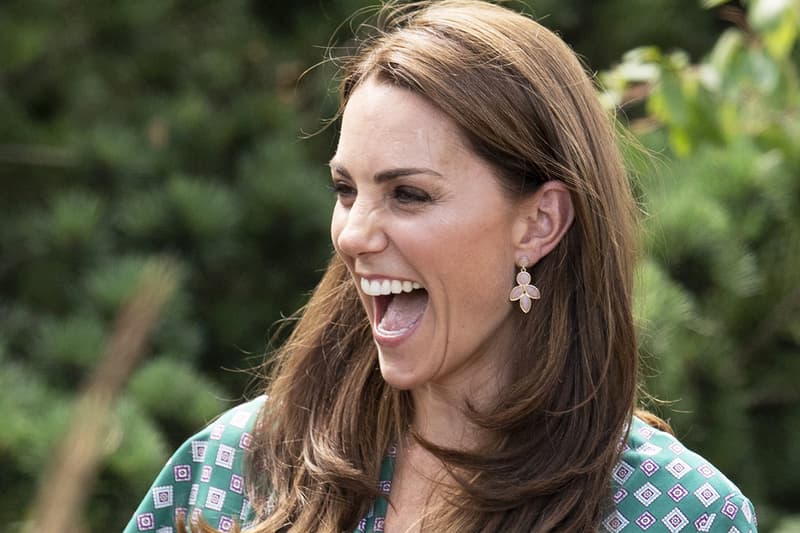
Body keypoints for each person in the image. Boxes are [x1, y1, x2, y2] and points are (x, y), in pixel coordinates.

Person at [123, 1, 757, 532]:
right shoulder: (232, 471)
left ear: (539, 223)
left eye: (409, 194)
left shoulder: (679, 512)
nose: (354, 234)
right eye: (346, 191)